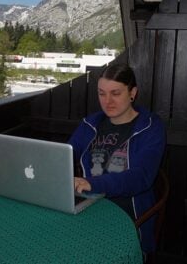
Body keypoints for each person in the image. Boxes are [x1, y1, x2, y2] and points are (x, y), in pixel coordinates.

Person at [68, 63, 166, 254]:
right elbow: (65, 153)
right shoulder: (90, 124)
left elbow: (141, 177)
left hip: (129, 215)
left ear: (132, 93)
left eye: (116, 93)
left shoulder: (151, 127)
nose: (107, 101)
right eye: (102, 93)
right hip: (88, 208)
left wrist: (91, 183)